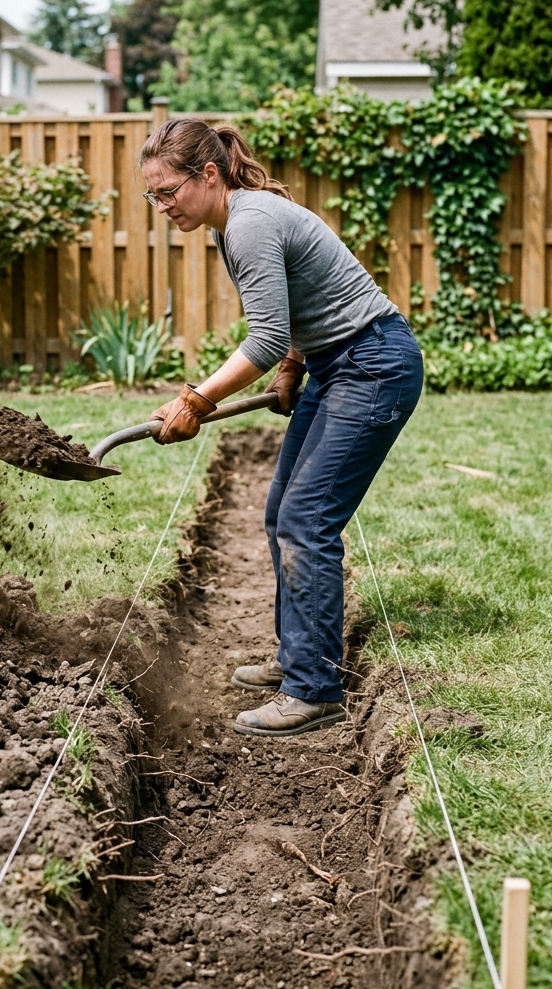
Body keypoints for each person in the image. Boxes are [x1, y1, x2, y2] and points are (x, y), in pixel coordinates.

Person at [143, 118, 423, 739]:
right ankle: (297, 653)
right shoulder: (235, 223)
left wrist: (195, 399)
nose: (162, 207)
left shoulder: (248, 223)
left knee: (307, 518)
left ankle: (315, 688)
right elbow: (296, 311)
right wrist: (295, 366)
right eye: (152, 197)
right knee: (281, 513)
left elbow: (265, 336)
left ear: (207, 174)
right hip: (335, 362)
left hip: (373, 364)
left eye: (168, 192)